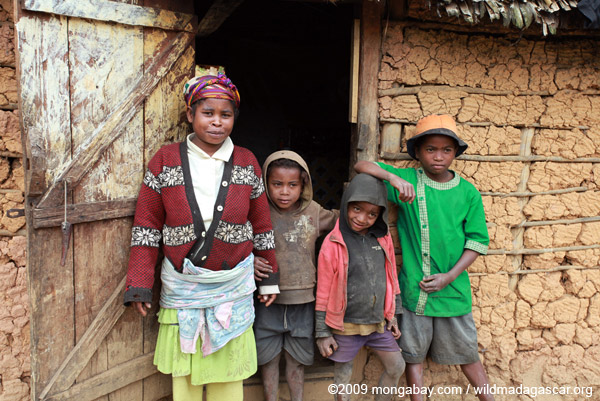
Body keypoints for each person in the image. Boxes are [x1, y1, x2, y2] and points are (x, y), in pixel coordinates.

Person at [123, 73, 279, 401]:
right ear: (190, 114)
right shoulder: (164, 161)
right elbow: (147, 226)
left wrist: (270, 277)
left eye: (226, 115)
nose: (217, 122)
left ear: (234, 118)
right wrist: (139, 281)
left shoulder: (247, 162)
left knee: (228, 379)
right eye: (208, 113)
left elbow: (261, 224)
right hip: (182, 288)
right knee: (187, 381)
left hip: (232, 287)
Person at [355, 114, 494, 401]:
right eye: (430, 149)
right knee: (413, 354)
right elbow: (361, 165)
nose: (438, 156)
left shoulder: (468, 193)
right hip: (416, 288)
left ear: (455, 153)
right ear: (417, 153)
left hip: (453, 289)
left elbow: (478, 241)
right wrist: (392, 177)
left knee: (468, 351)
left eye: (446, 150)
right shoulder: (407, 180)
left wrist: (449, 276)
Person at [253, 150, 338, 401]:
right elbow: (237, 238)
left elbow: (342, 221)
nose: (284, 192)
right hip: (266, 300)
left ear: (304, 185)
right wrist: (250, 257)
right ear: (266, 183)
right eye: (277, 184)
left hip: (303, 300)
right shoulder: (257, 212)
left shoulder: (313, 211)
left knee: (297, 360)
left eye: (293, 185)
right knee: (267, 359)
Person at [315, 173, 405, 401]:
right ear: (346, 204)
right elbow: (323, 290)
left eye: (372, 213)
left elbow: (391, 278)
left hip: (378, 324)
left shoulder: (382, 239)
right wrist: (322, 332)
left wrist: (393, 316)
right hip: (345, 325)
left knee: (397, 366)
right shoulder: (334, 243)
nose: (362, 218)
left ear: (380, 215)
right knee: (342, 379)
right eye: (356, 209)